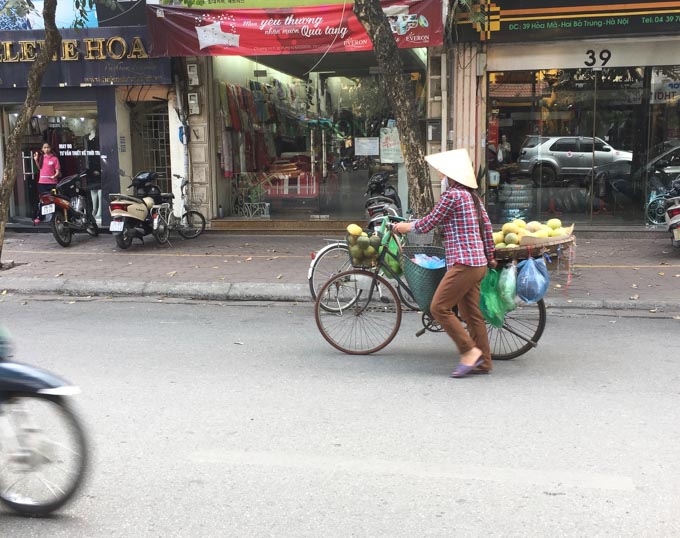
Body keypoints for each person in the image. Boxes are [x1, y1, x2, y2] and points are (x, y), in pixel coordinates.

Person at [393, 149, 497, 378]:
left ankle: (469, 352)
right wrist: (490, 257)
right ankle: (484, 361)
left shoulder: (453, 196)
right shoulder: (473, 197)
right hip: (478, 264)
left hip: (463, 264)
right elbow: (487, 229)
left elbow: (430, 222)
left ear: (452, 175)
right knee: (471, 315)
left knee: (439, 307)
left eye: (443, 174)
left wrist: (405, 227)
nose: (441, 177)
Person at [33, 143, 61, 224]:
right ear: (42, 149)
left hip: (52, 183)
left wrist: (54, 176)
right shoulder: (41, 158)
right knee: (43, 200)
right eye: (44, 148)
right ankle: (41, 217)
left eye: (48, 147)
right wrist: (35, 160)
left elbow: (58, 171)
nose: (46, 149)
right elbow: (40, 168)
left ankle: (57, 218)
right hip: (42, 183)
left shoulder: (54, 159)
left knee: (54, 200)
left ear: (50, 148)